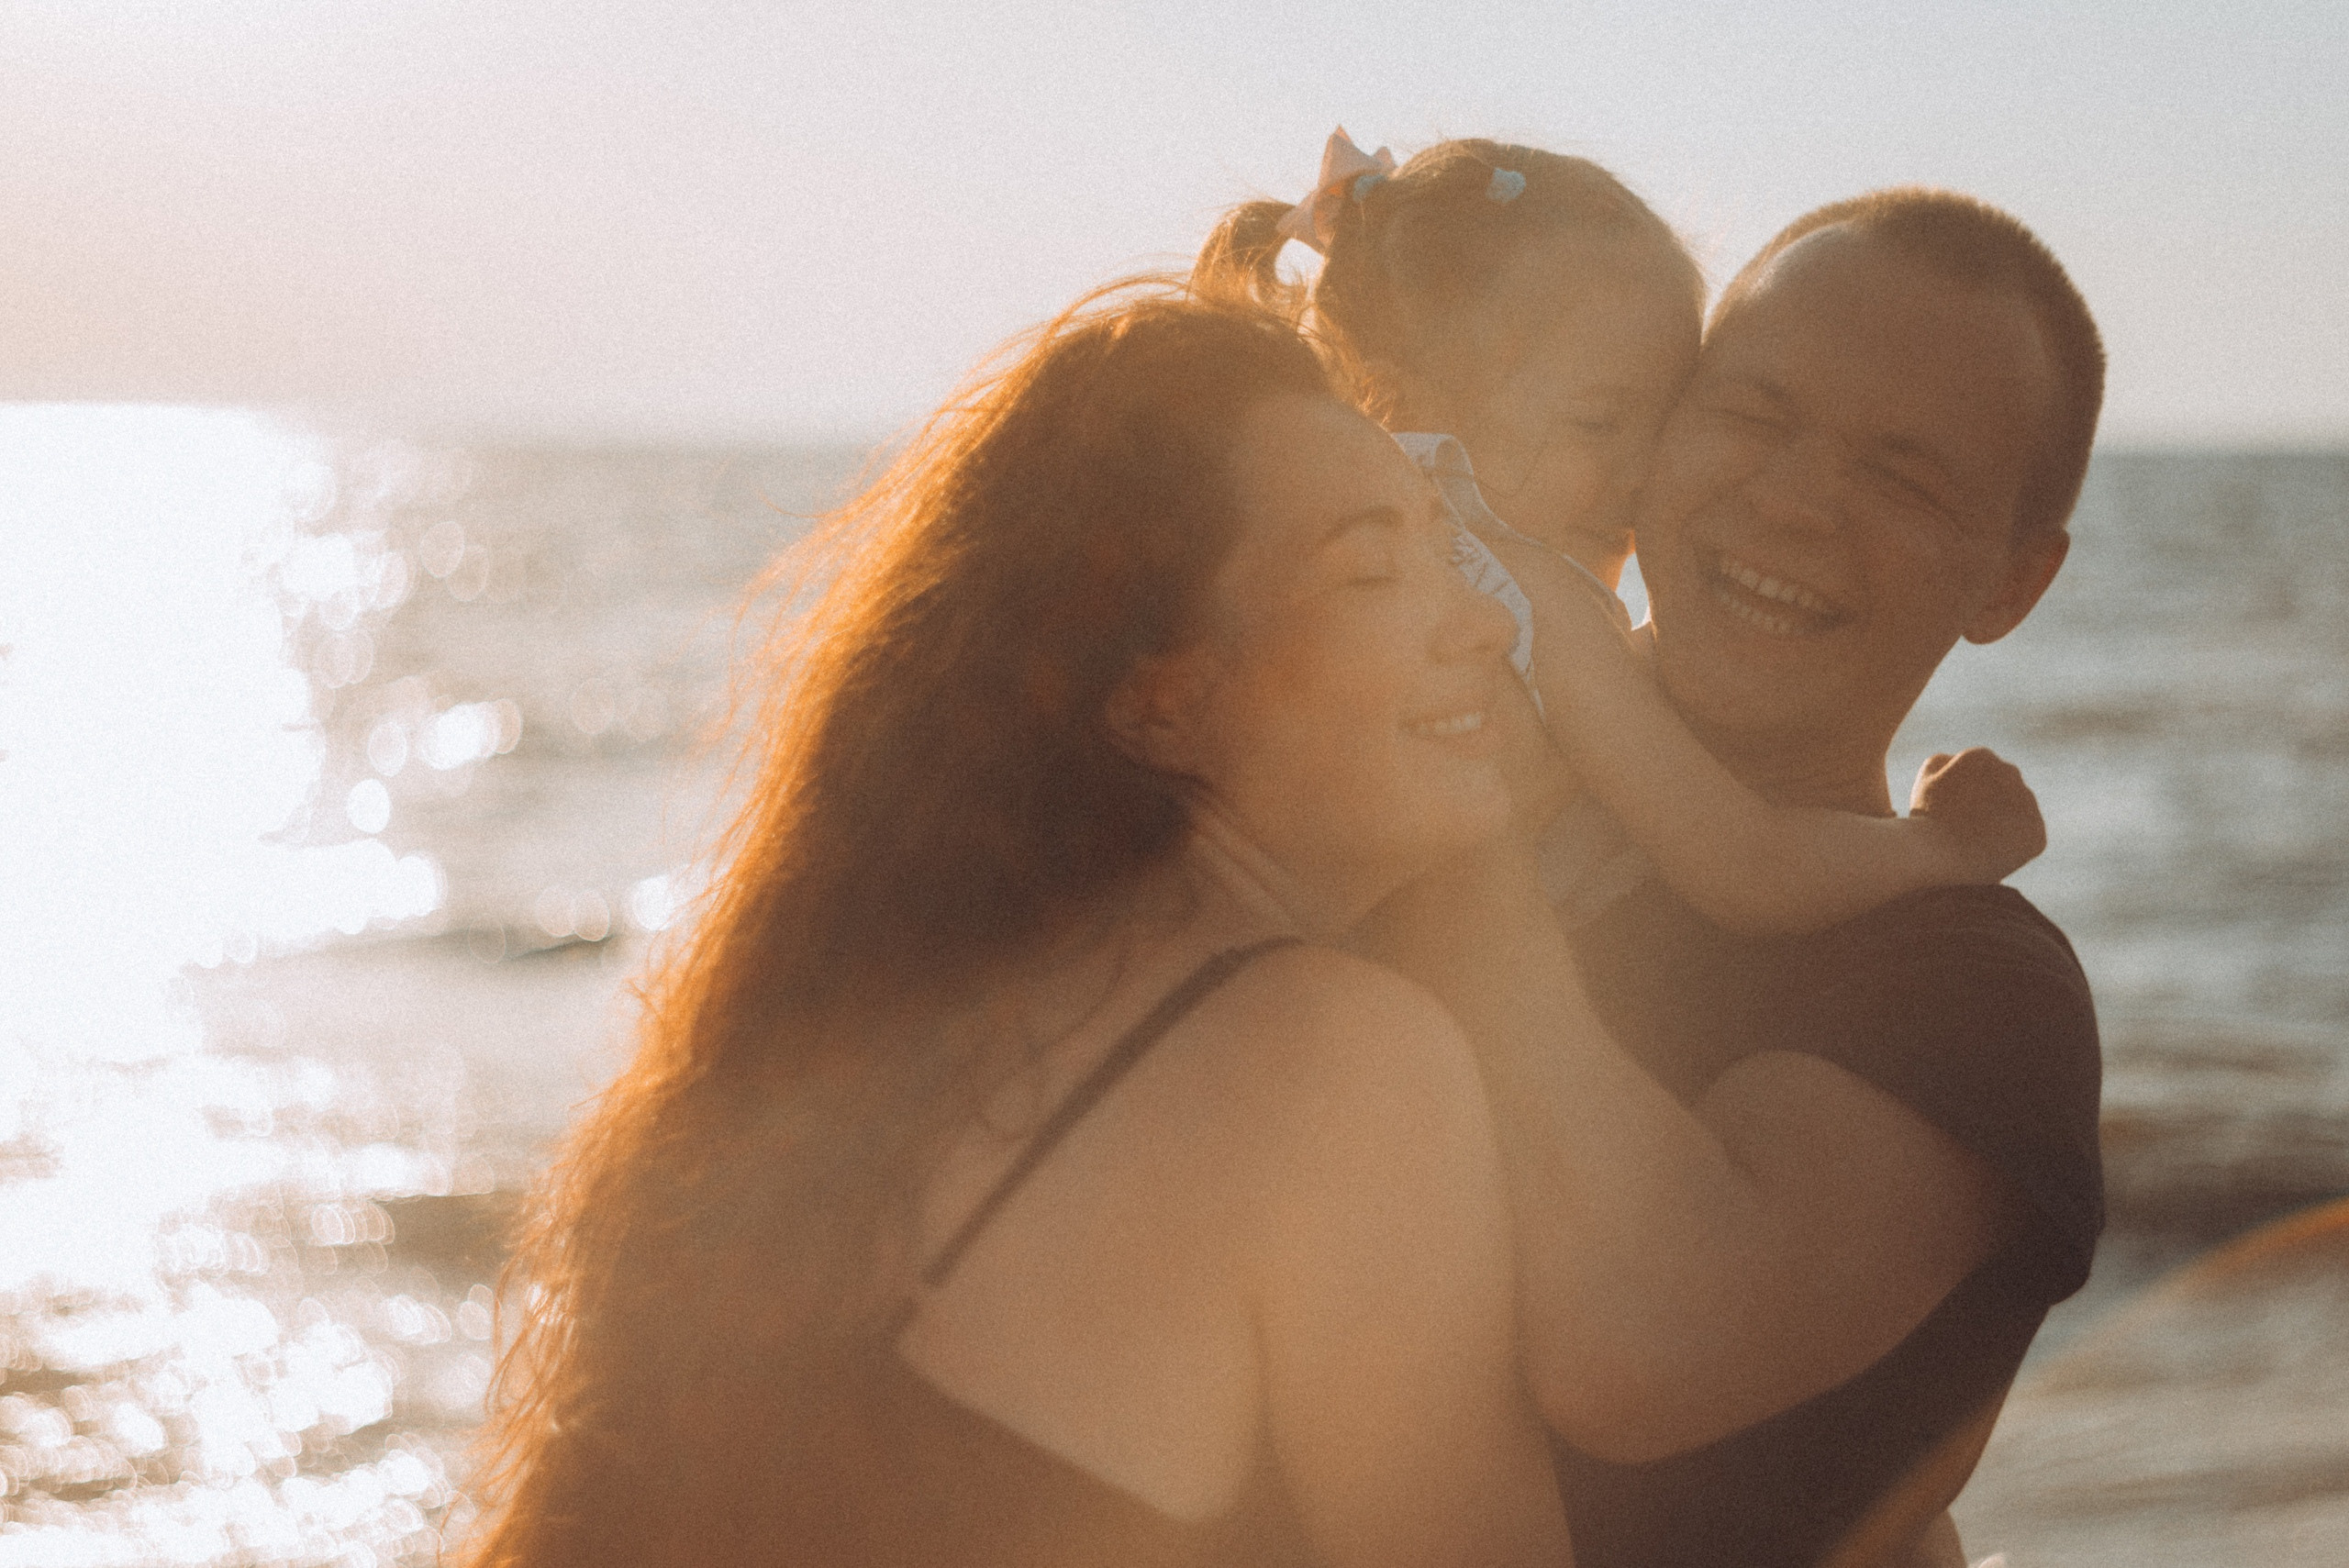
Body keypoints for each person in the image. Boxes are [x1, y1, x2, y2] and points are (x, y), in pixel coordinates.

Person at [462, 285, 1568, 1568]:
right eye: (1374, 568)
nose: (1483, 622)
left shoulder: (901, 1021)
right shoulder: (1336, 1064)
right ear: (1160, 699)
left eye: (1450, 552)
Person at [1203, 136, 2105, 1564]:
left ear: (2013, 577)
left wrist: (1457, 834)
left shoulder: (1975, 982)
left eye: (1904, 477)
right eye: (1749, 412)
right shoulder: (1384, 689)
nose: (1794, 502)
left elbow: (1636, 1343)